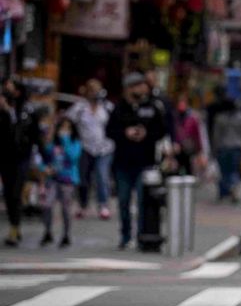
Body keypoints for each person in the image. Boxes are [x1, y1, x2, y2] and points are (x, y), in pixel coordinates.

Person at [106, 72, 167, 250]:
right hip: (123, 162)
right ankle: (125, 235)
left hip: (145, 161)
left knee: (143, 201)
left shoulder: (153, 106)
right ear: (129, 88)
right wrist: (125, 133)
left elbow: (162, 130)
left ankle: (143, 236)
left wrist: (146, 134)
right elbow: (109, 131)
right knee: (123, 201)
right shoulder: (119, 108)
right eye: (138, 85)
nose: (142, 88)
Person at [0, 76, 43, 247]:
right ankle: (14, 225)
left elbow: (35, 135)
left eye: (10, 88)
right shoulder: (3, 110)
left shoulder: (28, 110)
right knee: (9, 193)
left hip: (22, 157)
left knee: (16, 192)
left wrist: (44, 158)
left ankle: (14, 228)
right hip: (4, 157)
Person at [66, 78, 115, 220]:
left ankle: (103, 205)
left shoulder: (107, 107)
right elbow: (67, 122)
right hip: (85, 147)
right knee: (83, 178)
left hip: (105, 147)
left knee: (102, 175)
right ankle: (82, 205)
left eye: (97, 90)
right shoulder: (79, 108)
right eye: (92, 90)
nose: (94, 93)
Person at [37, 116, 82, 247]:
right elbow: (44, 159)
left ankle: (66, 235)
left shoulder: (75, 142)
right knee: (47, 205)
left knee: (66, 209)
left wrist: (65, 140)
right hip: (53, 180)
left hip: (68, 180)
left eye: (68, 128)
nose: (64, 131)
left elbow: (73, 157)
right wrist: (44, 168)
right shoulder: (53, 144)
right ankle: (47, 232)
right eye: (62, 128)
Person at [211, 94, 241, 202]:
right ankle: (234, 190)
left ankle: (223, 192)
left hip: (223, 148)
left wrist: (214, 150)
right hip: (237, 148)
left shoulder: (219, 118)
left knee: (224, 172)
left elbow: (216, 136)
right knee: (234, 171)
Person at [172, 95, 204, 176]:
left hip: (189, 149)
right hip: (176, 150)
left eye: (183, 103)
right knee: (176, 172)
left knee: (189, 171)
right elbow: (171, 132)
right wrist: (174, 143)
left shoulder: (192, 118)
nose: (182, 105)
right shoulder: (173, 117)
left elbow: (197, 135)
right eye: (180, 103)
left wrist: (199, 151)